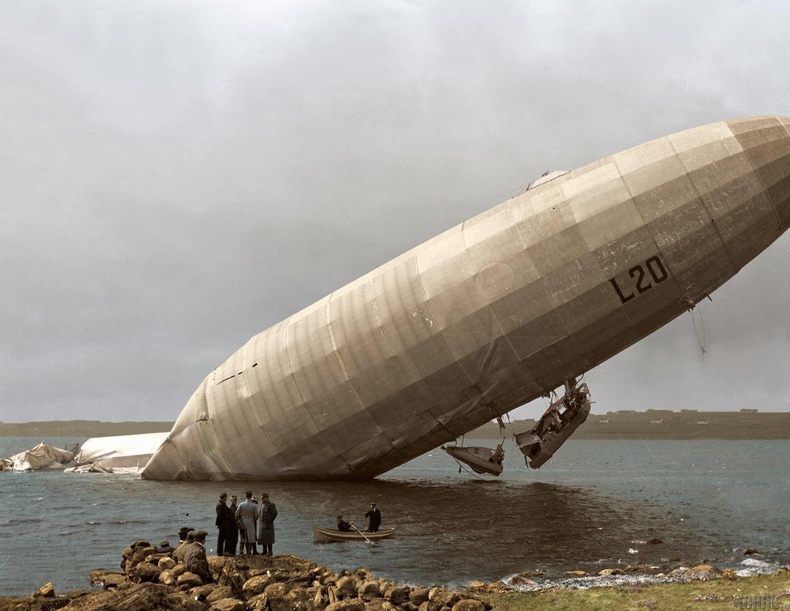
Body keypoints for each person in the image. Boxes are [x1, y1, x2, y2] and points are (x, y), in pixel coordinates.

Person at [235, 491, 258, 555]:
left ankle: (241, 551)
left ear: (246, 496)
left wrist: (239, 518)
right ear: (251, 496)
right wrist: (254, 519)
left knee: (242, 537)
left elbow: (236, 514)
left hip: (243, 521)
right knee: (250, 537)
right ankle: (249, 551)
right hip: (251, 521)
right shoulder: (254, 505)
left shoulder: (241, 504)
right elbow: (257, 515)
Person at [257, 492, 278, 556]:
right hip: (262, 524)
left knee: (269, 539)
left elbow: (275, 513)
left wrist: (270, 521)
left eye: (263, 498)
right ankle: (264, 551)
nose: (262, 499)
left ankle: (270, 551)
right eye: (262, 498)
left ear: (267, 498)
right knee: (263, 539)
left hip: (268, 525)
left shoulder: (271, 505)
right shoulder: (262, 504)